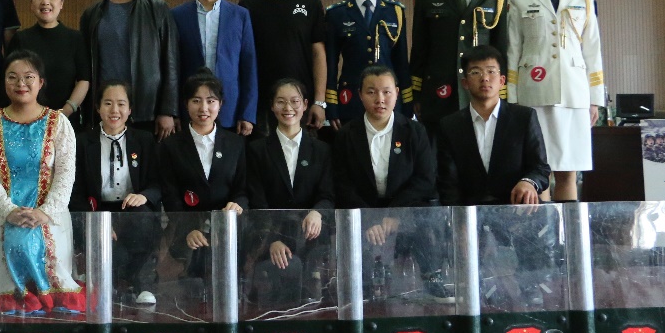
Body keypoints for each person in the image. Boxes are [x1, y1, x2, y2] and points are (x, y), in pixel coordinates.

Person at [0, 50, 84, 314]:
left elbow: (66, 174)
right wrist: (8, 211)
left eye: (28, 77)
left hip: (49, 218)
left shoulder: (59, 123)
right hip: (3, 217)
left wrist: (44, 213)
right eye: (12, 77)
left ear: (41, 82)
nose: (20, 83)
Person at [332, 66, 448, 301]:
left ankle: (432, 279)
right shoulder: (346, 134)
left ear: (396, 93)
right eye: (371, 92)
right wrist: (370, 219)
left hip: (406, 208)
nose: (380, 99)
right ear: (360, 95)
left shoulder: (414, 131)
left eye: (386, 92)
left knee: (427, 222)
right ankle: (361, 286)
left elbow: (425, 179)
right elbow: (342, 184)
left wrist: (396, 213)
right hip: (363, 211)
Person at [507, 0, 604, 202]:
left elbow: (592, 50)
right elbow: (513, 48)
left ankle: (569, 227)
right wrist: (511, 97)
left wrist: (594, 100)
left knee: (568, 171)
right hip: (533, 93)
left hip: (573, 94)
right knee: (538, 170)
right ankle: (545, 228)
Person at [410, 0, 509, 132]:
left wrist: (503, 91)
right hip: (439, 91)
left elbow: (501, 48)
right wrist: (416, 93)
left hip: (483, 91)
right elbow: (419, 48)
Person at [69, 81, 161, 305]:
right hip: (97, 211)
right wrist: (95, 221)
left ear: (130, 109)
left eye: (121, 104)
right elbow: (75, 191)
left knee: (143, 221)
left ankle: (141, 284)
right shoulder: (82, 142)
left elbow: (158, 183)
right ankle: (106, 283)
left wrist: (144, 196)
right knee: (112, 251)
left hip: (132, 209)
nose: (114, 110)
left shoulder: (144, 140)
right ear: (98, 108)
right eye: (108, 103)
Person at [245, 78, 334, 308]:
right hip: (271, 238)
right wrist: (271, 240)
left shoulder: (321, 150)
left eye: (295, 101)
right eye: (281, 102)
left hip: (312, 237)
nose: (288, 108)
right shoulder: (257, 150)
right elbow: (257, 202)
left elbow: (327, 194)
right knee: (283, 275)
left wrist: (317, 213)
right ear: (272, 106)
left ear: (305, 105)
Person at [79, 0, 179, 139]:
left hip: (147, 110)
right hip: (105, 111)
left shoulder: (157, 9)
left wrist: (167, 110)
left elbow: (171, 61)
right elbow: (85, 68)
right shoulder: (91, 15)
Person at [158, 72, 247, 278]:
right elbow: (170, 196)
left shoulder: (236, 143)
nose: (203, 108)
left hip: (227, 230)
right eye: (196, 101)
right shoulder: (171, 146)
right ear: (186, 104)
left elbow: (242, 189)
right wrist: (188, 230)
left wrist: (237, 204)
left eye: (211, 101)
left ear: (220, 104)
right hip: (187, 234)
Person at [437, 46, 550, 206]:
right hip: (470, 211)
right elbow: (448, 182)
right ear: (465, 83)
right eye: (475, 72)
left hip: (517, 209)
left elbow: (540, 168)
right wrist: (457, 216)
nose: (485, 78)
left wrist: (528, 182)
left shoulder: (524, 117)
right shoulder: (450, 125)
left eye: (491, 71)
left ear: (502, 81)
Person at [239, 0, 328, 134]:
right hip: (260, 104)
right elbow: (242, 58)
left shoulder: (311, 3)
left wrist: (319, 101)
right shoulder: (247, 6)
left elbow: (318, 54)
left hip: (300, 102)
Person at [171, 0, 259, 135]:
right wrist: (172, 111)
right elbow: (173, 68)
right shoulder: (177, 15)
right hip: (190, 107)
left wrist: (247, 113)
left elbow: (249, 66)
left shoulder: (240, 15)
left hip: (230, 109)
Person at [324, 0, 412, 127]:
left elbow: (401, 63)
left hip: (388, 101)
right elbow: (330, 64)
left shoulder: (395, 11)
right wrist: (331, 106)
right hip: (351, 99)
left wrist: (407, 103)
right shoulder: (337, 14)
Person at [8, 0, 90, 128]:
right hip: (26, 121)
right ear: (31, 3)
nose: (45, 1)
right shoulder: (20, 39)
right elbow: (11, 80)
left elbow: (84, 80)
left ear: (61, 3)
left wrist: (65, 112)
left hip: (65, 120)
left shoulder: (75, 38)